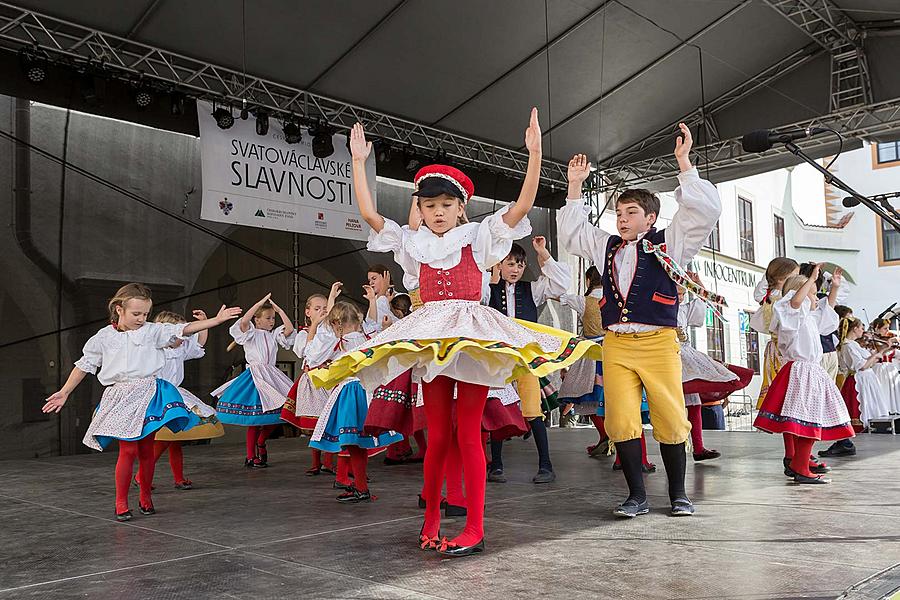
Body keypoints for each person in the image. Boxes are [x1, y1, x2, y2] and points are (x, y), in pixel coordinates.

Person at [311, 110, 600, 557]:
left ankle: (475, 527)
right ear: (420, 209)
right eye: (429, 206)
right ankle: (430, 519)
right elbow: (368, 212)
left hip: (469, 335)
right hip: (432, 339)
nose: (438, 213)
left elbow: (522, 207)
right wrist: (357, 162)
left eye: (446, 205)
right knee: (438, 435)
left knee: (467, 433)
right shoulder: (415, 243)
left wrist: (536, 154)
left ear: (461, 205)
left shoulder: (479, 235)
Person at [557, 123, 721, 518]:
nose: (622, 219)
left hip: (658, 343)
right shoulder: (607, 246)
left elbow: (704, 211)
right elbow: (573, 233)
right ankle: (636, 496)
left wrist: (685, 165)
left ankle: (679, 494)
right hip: (616, 344)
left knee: (669, 415)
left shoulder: (672, 242)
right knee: (622, 418)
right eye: (618, 212)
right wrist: (575, 187)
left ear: (650, 218)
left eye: (631, 212)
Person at [42, 283, 240, 521]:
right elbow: (84, 365)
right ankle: (121, 502)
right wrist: (64, 392)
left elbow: (184, 329)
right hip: (121, 396)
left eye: (145, 314)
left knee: (146, 449)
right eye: (136, 314)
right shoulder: (103, 337)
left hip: (149, 392)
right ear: (119, 309)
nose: (141, 318)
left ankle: (145, 496)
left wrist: (215, 321)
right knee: (127, 450)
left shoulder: (151, 331)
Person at [754, 265, 854, 484]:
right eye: (812, 292)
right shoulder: (791, 311)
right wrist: (810, 279)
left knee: (808, 420)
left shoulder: (808, 316)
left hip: (809, 371)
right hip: (802, 371)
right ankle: (800, 465)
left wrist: (834, 288)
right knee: (806, 419)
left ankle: (800, 462)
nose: (815, 297)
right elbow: (795, 302)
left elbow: (827, 316)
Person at [488, 236, 571, 484]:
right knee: (498, 410)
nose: (515, 270)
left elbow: (560, 284)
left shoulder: (532, 289)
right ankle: (497, 465)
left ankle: (546, 465)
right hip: (498, 359)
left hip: (525, 359)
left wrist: (543, 254)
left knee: (533, 410)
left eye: (520, 265)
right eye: (510, 264)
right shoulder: (486, 289)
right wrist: (490, 278)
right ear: (499, 265)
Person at [309, 300, 403, 503]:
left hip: (350, 392)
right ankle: (361, 486)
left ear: (337, 324)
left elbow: (312, 357)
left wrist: (316, 327)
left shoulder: (340, 342)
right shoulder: (367, 339)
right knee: (356, 443)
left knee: (352, 443)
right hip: (366, 392)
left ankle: (361, 488)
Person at [136, 310, 225, 490]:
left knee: (176, 439)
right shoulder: (156, 350)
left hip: (176, 394)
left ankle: (178, 477)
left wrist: (205, 323)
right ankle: (141, 475)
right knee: (165, 438)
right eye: (180, 334)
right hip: (159, 396)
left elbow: (199, 343)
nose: (183, 338)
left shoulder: (181, 348)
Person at [213, 294, 295, 468]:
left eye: (273, 318)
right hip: (255, 376)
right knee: (255, 419)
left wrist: (280, 310)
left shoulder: (274, 335)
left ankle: (261, 441)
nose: (272, 321)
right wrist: (257, 303)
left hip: (272, 375)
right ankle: (251, 455)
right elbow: (244, 322)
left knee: (283, 412)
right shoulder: (250, 333)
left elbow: (288, 329)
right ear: (257, 320)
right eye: (268, 318)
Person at [679, 273, 753, 461]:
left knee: (693, 403)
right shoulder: (658, 305)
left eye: (682, 292)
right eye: (677, 291)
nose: (681, 296)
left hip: (683, 358)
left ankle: (698, 446)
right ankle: (670, 450)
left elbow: (703, 300)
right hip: (663, 357)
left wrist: (698, 284)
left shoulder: (683, 309)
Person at [283, 289, 338, 475]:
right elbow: (304, 352)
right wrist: (313, 326)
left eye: (324, 308)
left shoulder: (329, 331)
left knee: (328, 420)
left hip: (326, 379)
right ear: (308, 311)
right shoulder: (302, 334)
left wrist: (332, 298)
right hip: (310, 380)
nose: (321, 311)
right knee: (314, 424)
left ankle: (328, 461)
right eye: (317, 308)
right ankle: (316, 462)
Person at [838, 317, 890, 433]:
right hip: (859, 380)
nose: (863, 330)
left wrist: (883, 350)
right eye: (861, 327)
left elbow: (868, 362)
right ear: (855, 329)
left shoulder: (854, 344)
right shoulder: (848, 345)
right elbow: (861, 366)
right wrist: (876, 355)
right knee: (862, 406)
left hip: (866, 379)